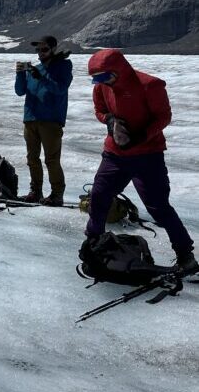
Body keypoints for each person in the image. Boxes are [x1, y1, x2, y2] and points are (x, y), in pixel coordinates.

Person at [84, 49, 196, 271]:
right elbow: (99, 110)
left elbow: (164, 117)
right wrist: (108, 120)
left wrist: (141, 137)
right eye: (96, 78)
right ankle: (93, 242)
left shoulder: (150, 85)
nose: (100, 82)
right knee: (98, 196)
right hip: (115, 155)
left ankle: (186, 255)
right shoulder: (102, 87)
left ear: (118, 70)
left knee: (158, 207)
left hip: (147, 156)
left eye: (104, 76)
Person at [14, 35, 73, 205]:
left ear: (53, 49)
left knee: (51, 159)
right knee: (32, 158)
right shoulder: (36, 69)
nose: (40, 53)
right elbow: (20, 91)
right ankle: (36, 191)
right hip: (31, 118)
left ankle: (57, 194)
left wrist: (41, 77)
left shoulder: (63, 66)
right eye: (38, 50)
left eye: (44, 49)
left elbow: (60, 89)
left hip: (51, 121)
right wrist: (20, 74)